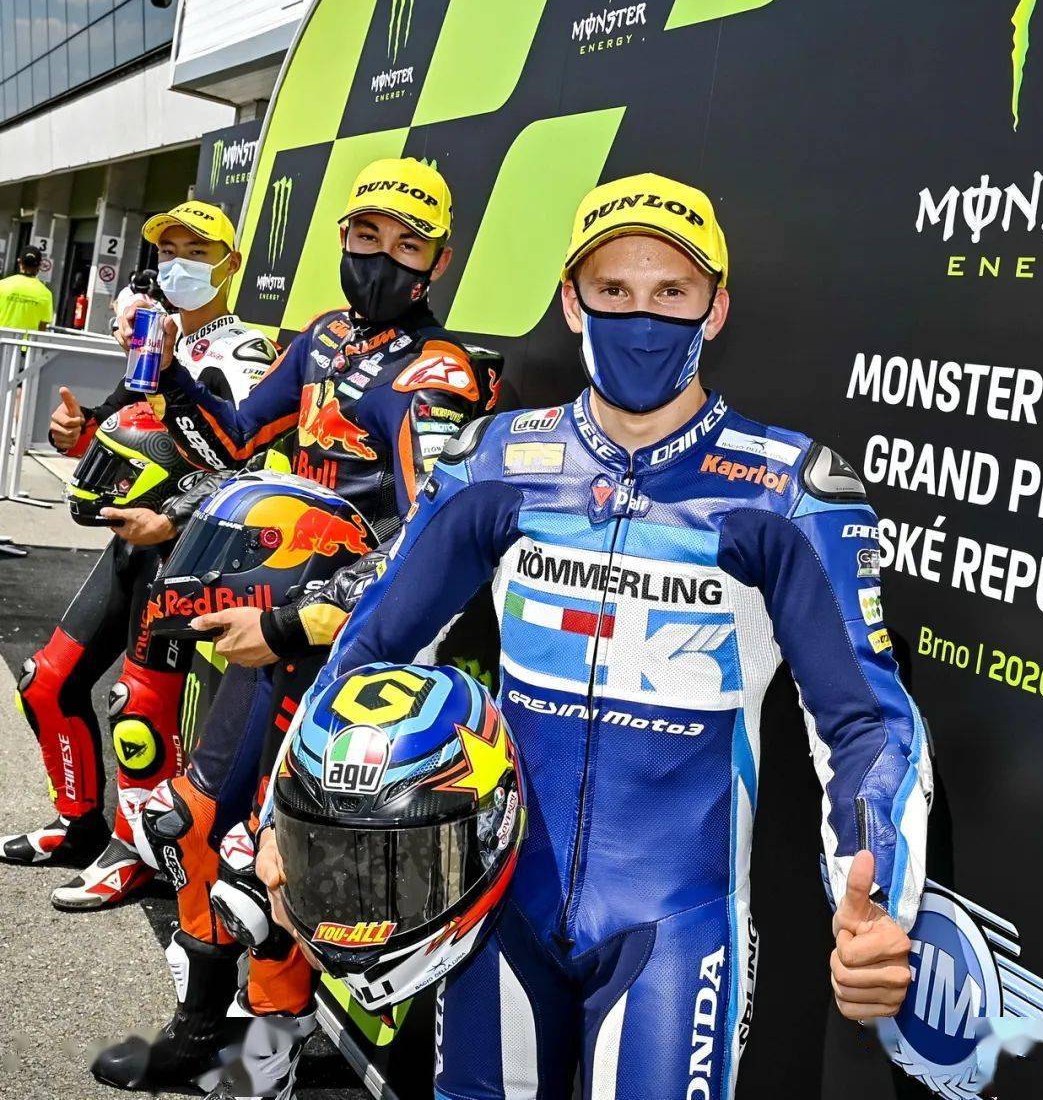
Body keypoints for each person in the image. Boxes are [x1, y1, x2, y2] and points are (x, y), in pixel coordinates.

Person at [258, 173, 934, 1099]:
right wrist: (283, 820)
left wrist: (877, 899)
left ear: (715, 309)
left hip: (677, 925)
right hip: (494, 906)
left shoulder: (789, 491)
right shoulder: (493, 461)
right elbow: (369, 650)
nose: (641, 315)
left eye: (671, 291)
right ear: (572, 302)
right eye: (613, 288)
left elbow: (864, 723)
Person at [92, 157, 499, 1097]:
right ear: (342, 237)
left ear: (439, 260)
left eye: (408, 245)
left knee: (281, 859)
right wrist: (169, 378)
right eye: (366, 235)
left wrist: (294, 622)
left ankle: (263, 1050)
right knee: (195, 823)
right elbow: (235, 436)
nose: (382, 258)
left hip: (353, 646)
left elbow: (429, 541)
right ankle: (204, 1031)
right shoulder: (321, 336)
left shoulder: (440, 374)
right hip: (269, 623)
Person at [0, 201, 276, 913]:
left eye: (196, 251)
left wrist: (172, 520)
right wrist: (75, 430)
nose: (178, 264)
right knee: (45, 683)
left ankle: (139, 854)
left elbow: (249, 465)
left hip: (186, 552)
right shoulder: (157, 341)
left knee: (138, 709)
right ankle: (78, 825)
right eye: (169, 251)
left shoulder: (244, 352)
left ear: (230, 264)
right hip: (133, 542)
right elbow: (118, 420)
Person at [0, 246, 54, 334]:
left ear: (19, 262)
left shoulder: (2, 285)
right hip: (26, 342)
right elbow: (42, 329)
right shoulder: (46, 294)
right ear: (39, 265)